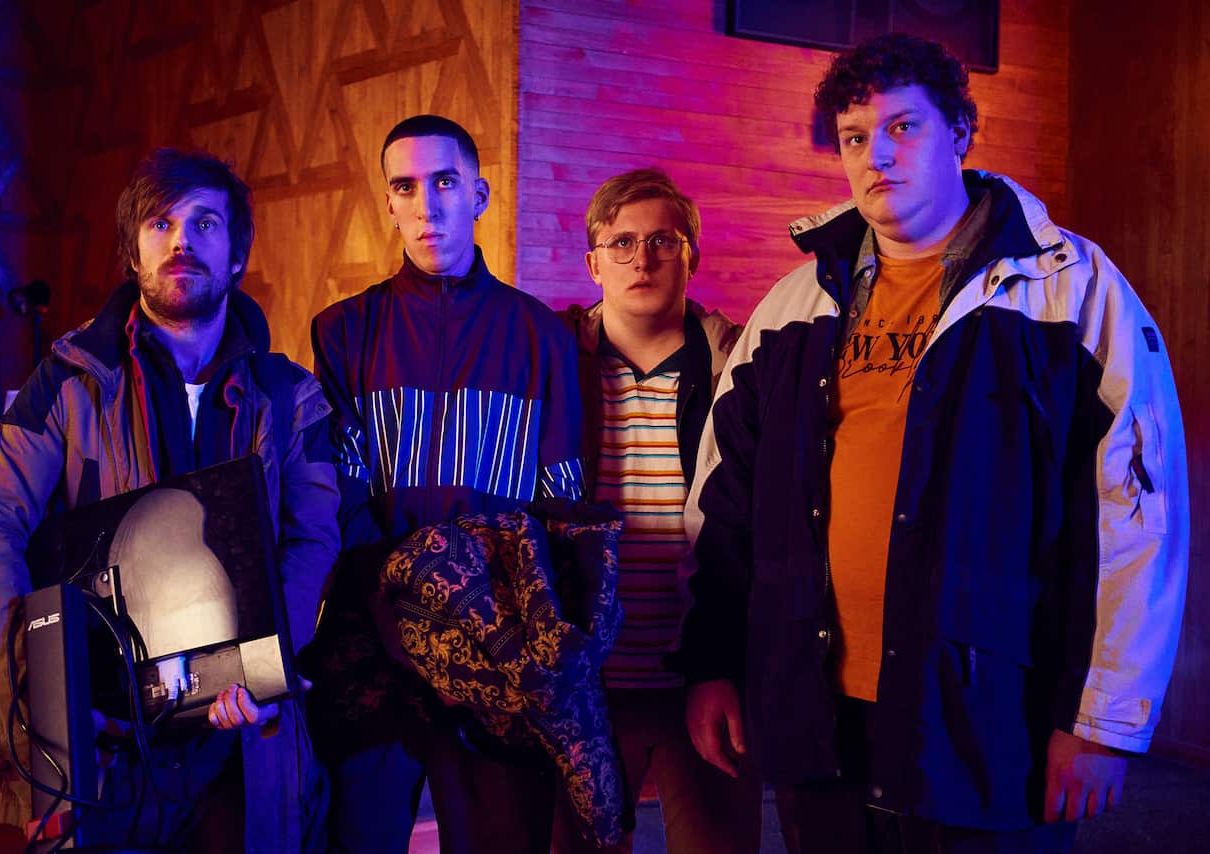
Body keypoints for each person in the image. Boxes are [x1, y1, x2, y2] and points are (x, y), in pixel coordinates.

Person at [677, 33, 1189, 853]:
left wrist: (1103, 721)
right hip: (818, 718)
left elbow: (1136, 518)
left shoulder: (1073, 293)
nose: (876, 155)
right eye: (854, 137)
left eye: (902, 127)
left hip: (991, 721)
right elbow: (722, 503)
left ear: (959, 130)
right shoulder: (793, 306)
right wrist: (712, 663)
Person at [0, 148, 339, 852]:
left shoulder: (290, 396)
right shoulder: (67, 382)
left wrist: (264, 672)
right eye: (161, 223)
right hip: (104, 750)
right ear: (133, 253)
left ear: (236, 256)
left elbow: (313, 540)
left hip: (241, 746)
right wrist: (40, 705)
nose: (182, 241)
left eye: (205, 224)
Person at [306, 114, 585, 854]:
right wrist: (397, 617)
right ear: (389, 203)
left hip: (495, 654)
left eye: (445, 182)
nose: (426, 204)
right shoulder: (342, 331)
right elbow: (342, 495)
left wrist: (505, 633)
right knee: (358, 840)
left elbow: (556, 503)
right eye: (406, 187)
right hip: (373, 643)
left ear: (479, 195)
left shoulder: (543, 336)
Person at [552, 168, 761, 853]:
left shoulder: (742, 369)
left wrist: (732, 661)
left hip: (704, 675)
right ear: (594, 264)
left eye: (663, 242)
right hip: (584, 681)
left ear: (690, 257)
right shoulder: (552, 364)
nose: (642, 260)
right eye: (622, 243)